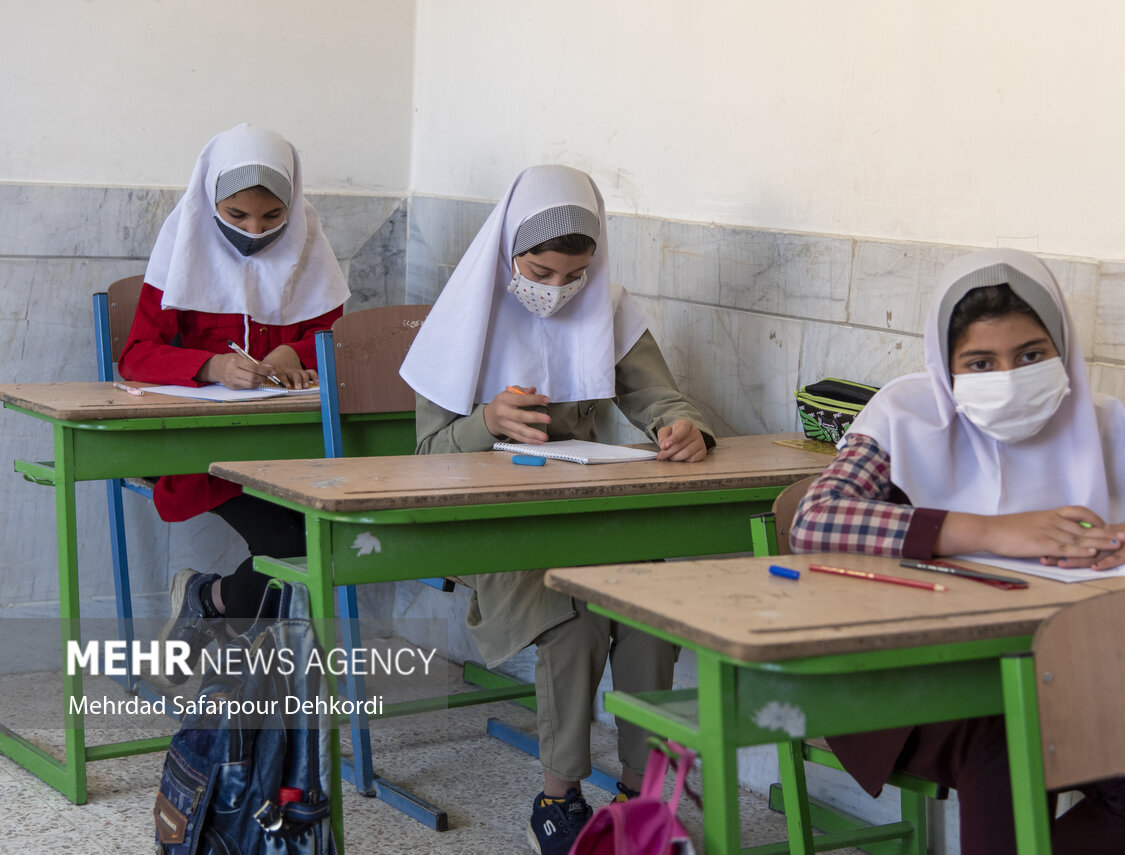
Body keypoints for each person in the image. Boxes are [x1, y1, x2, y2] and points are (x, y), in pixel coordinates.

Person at [790, 248, 1125, 855]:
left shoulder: (1092, 423)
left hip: (1054, 664)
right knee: (1015, 737)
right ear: (947, 366)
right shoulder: (907, 416)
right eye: (980, 362)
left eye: (1031, 355)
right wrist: (993, 531)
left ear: (1061, 349)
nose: (1008, 377)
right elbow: (817, 518)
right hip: (903, 674)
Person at [399, 164, 714, 855]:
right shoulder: (464, 315)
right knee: (568, 617)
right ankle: (558, 795)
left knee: (647, 604)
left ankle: (640, 794)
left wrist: (680, 425)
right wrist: (486, 419)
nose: (555, 290)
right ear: (509, 248)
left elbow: (661, 397)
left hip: (582, 511)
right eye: (539, 271)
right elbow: (425, 454)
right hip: (490, 525)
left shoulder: (607, 305)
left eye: (574, 275)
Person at [119, 123, 349, 677]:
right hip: (204, 447)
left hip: (287, 445)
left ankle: (211, 604)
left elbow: (337, 342)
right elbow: (136, 355)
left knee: (333, 532)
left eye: (272, 218)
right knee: (299, 545)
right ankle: (220, 610)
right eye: (237, 216)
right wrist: (210, 364)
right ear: (209, 203)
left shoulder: (308, 248)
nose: (255, 230)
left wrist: (297, 351)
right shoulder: (183, 249)